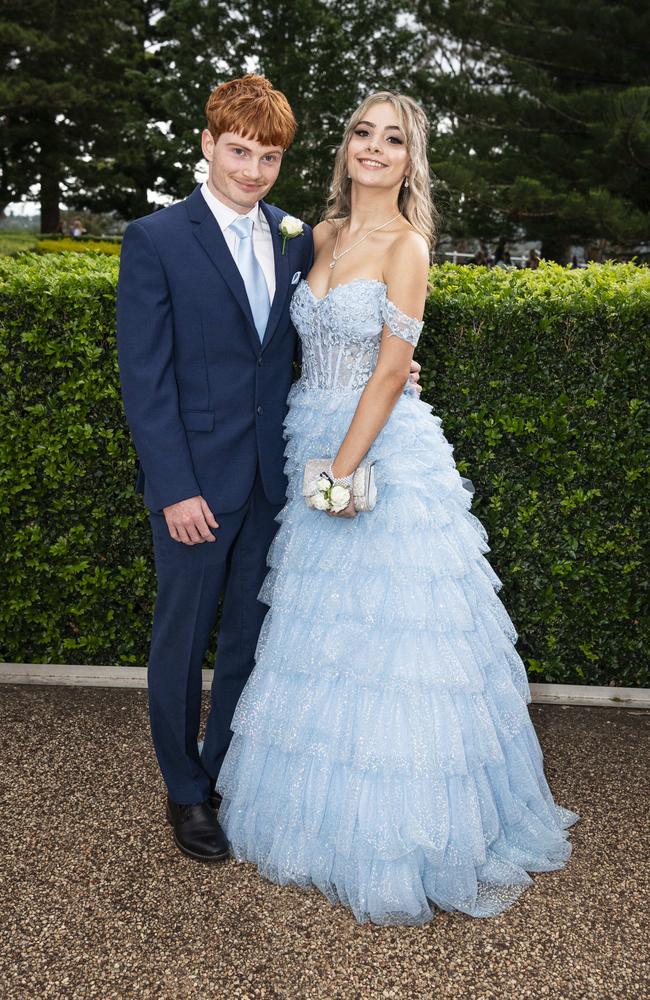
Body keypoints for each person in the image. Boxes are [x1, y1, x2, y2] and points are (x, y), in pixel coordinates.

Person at [217, 91, 579, 924]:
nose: (373, 149)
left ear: (411, 159)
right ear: (343, 148)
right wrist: (317, 463)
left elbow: (388, 371)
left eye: (393, 139)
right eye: (361, 134)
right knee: (324, 636)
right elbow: (279, 337)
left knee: (398, 643)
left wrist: (341, 473)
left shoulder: (408, 245)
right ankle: (317, 818)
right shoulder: (317, 235)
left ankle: (405, 836)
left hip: (372, 454)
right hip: (307, 439)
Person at [116, 74, 422, 864]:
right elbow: (145, 382)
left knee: (254, 639)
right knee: (182, 643)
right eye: (239, 152)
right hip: (195, 487)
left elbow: (304, 343)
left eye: (269, 156)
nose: (252, 171)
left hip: (276, 476)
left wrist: (387, 370)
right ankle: (184, 793)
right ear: (210, 145)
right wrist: (174, 488)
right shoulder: (156, 239)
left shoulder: (295, 235)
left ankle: (221, 773)